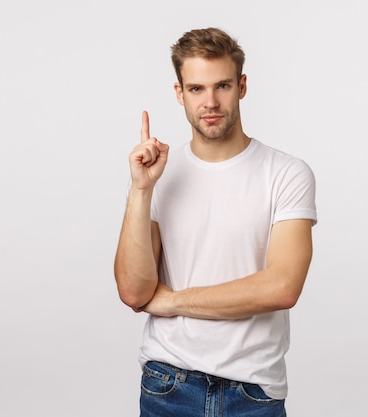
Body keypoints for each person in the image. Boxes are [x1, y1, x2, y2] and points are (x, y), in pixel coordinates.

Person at [114, 27, 317, 417]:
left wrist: (173, 300)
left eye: (221, 85)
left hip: (253, 391)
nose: (210, 102)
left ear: (241, 86)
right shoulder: (158, 177)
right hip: (168, 385)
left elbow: (282, 287)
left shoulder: (286, 173)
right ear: (179, 94)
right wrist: (141, 190)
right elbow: (135, 292)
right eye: (196, 89)